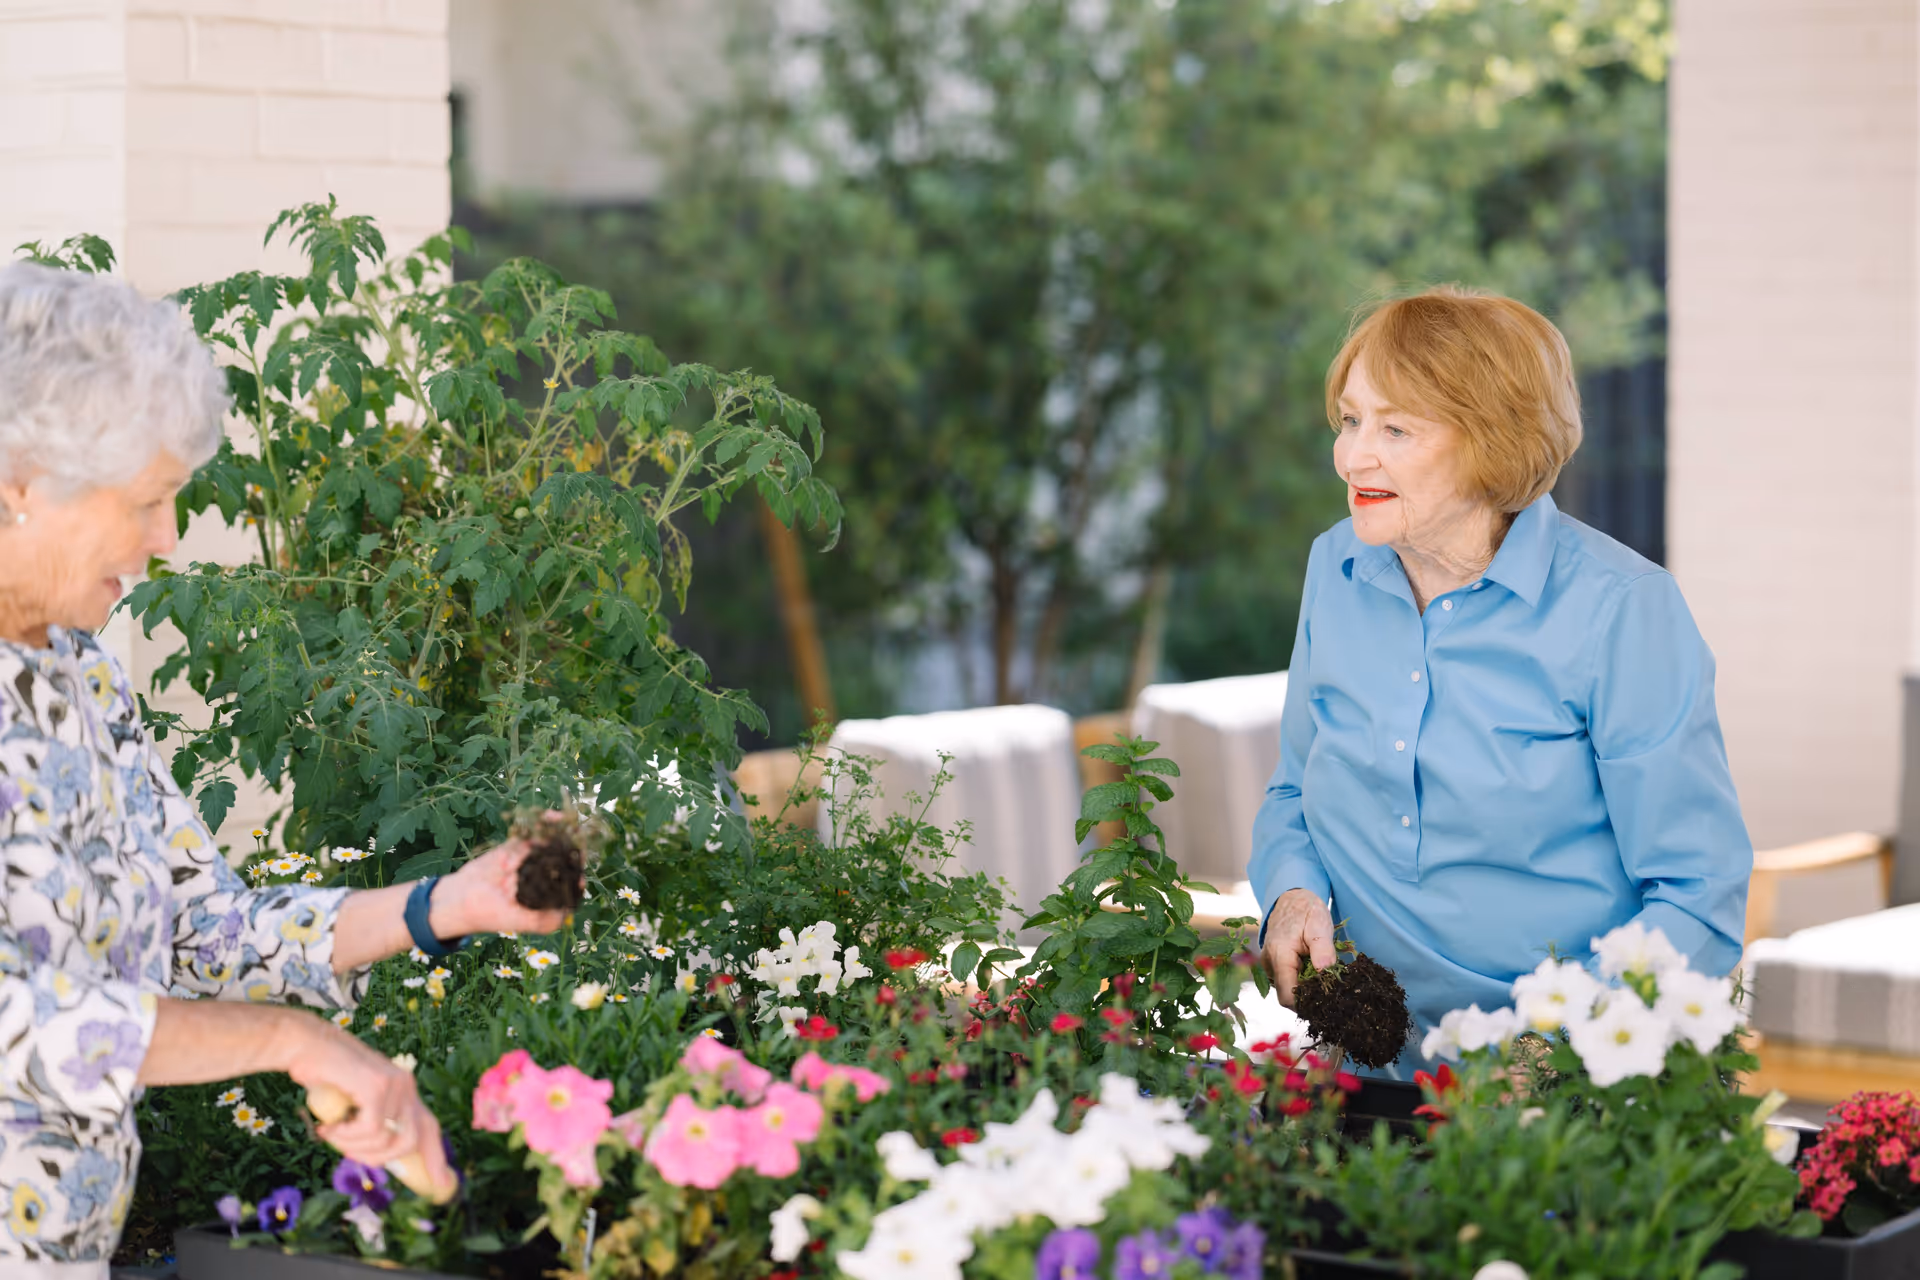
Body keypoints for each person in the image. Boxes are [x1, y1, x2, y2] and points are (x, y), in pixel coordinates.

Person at [0, 261, 569, 1275]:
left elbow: (200, 925)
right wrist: (297, 1042)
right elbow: (22, 1018)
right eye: (149, 500)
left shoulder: (76, 674)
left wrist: (448, 902)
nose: (164, 539)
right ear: (21, 488)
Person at [1250, 286, 1750, 1071]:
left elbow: (1698, 896)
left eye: (1396, 428)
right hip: (1368, 1069)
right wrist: (1292, 894)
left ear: (1494, 441)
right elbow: (1293, 794)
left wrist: (1553, 1053)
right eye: (1350, 420)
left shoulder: (1620, 609)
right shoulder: (1335, 566)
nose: (1351, 456)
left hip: (1564, 1085)